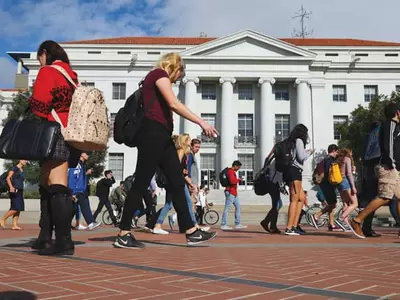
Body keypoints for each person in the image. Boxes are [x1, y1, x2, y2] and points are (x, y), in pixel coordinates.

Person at [113, 53, 218, 249]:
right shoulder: (158, 74)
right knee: (141, 183)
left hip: (163, 137)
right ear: (175, 68)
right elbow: (174, 103)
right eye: (180, 74)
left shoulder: (158, 79)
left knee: (177, 183)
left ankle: (191, 231)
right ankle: (123, 233)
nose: (179, 79)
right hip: (151, 134)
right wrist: (202, 122)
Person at [29, 40, 81, 256]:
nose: (39, 62)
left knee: (57, 185)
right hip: (72, 133)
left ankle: (63, 242)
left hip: (54, 132)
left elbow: (40, 105)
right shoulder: (72, 76)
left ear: (45, 53)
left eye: (39, 57)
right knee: (47, 183)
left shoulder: (48, 71)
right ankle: (44, 238)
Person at [349, 102, 400, 239]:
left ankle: (364, 225)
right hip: (387, 166)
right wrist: (391, 162)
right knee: (384, 196)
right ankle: (357, 220)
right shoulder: (390, 124)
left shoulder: (386, 127)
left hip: (386, 166)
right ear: (397, 113)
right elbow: (388, 145)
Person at [283, 124, 313, 236]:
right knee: (294, 199)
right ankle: (289, 228)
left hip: (292, 171)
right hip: (294, 170)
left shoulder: (290, 142)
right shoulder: (299, 141)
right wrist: (309, 152)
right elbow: (301, 157)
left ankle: (294, 226)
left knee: (301, 198)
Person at [311, 144, 342, 231]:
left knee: (331, 203)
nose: (337, 154)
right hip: (327, 184)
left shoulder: (325, 159)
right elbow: (330, 172)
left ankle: (331, 224)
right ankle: (317, 215)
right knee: (333, 204)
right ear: (333, 151)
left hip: (324, 184)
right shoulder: (329, 160)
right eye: (337, 152)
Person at [68, 153, 101, 231]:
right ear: (82, 154)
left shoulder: (81, 164)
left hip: (80, 190)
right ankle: (90, 223)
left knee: (73, 209)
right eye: (87, 153)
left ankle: (63, 224)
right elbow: (72, 177)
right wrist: (72, 192)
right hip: (77, 190)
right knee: (84, 204)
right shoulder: (76, 164)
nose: (88, 155)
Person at [0, 160, 28, 230]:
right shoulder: (14, 168)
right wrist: (11, 187)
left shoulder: (22, 169)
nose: (26, 161)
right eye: (24, 160)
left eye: (26, 160)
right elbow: (8, 178)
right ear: (20, 160)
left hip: (20, 190)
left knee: (19, 208)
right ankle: (2, 219)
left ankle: (15, 225)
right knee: (15, 208)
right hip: (14, 190)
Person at [260, 153, 283, 234]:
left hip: (273, 184)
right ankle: (268, 223)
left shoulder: (272, 160)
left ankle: (272, 225)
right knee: (277, 205)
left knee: (278, 204)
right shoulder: (277, 162)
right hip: (273, 185)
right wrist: (281, 186)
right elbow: (278, 174)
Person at [335, 149, 359, 230]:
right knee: (355, 203)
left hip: (339, 182)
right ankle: (342, 218)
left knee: (345, 204)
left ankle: (345, 223)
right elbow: (349, 174)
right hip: (346, 181)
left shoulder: (338, 160)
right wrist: (353, 186)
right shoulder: (347, 159)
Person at [220, 160, 247, 230]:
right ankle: (223, 224)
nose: (238, 169)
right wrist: (238, 179)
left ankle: (237, 223)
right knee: (227, 208)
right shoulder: (231, 172)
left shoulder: (232, 171)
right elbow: (232, 181)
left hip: (234, 192)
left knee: (238, 207)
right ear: (235, 166)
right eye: (238, 167)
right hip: (230, 192)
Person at [187, 138, 201, 208]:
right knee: (192, 203)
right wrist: (191, 184)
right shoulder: (190, 155)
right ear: (191, 146)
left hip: (194, 183)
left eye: (199, 147)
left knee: (192, 203)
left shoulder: (193, 156)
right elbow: (188, 170)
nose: (197, 149)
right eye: (196, 147)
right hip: (192, 184)